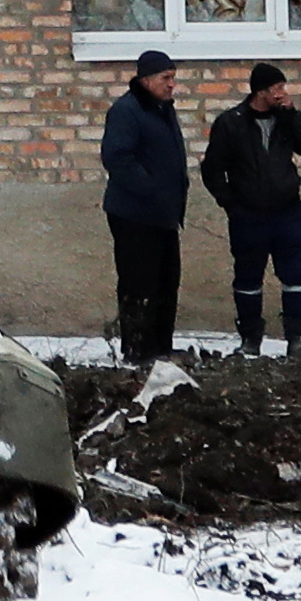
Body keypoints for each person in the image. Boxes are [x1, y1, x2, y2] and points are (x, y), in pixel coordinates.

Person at [201, 60, 301, 359]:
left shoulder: (286, 118)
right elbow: (212, 170)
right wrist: (231, 205)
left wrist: (292, 114)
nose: (281, 93)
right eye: (276, 88)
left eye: (282, 87)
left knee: (296, 276)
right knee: (248, 278)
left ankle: (296, 337)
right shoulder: (231, 122)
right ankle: (250, 338)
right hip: (248, 215)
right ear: (260, 92)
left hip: (288, 212)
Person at [99, 47, 189, 368]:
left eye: (173, 79)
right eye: (166, 78)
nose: (171, 85)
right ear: (146, 80)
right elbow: (118, 159)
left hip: (163, 216)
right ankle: (137, 351)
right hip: (134, 215)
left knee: (166, 282)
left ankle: (161, 348)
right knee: (140, 283)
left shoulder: (163, 109)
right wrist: (151, 190)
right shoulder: (127, 111)